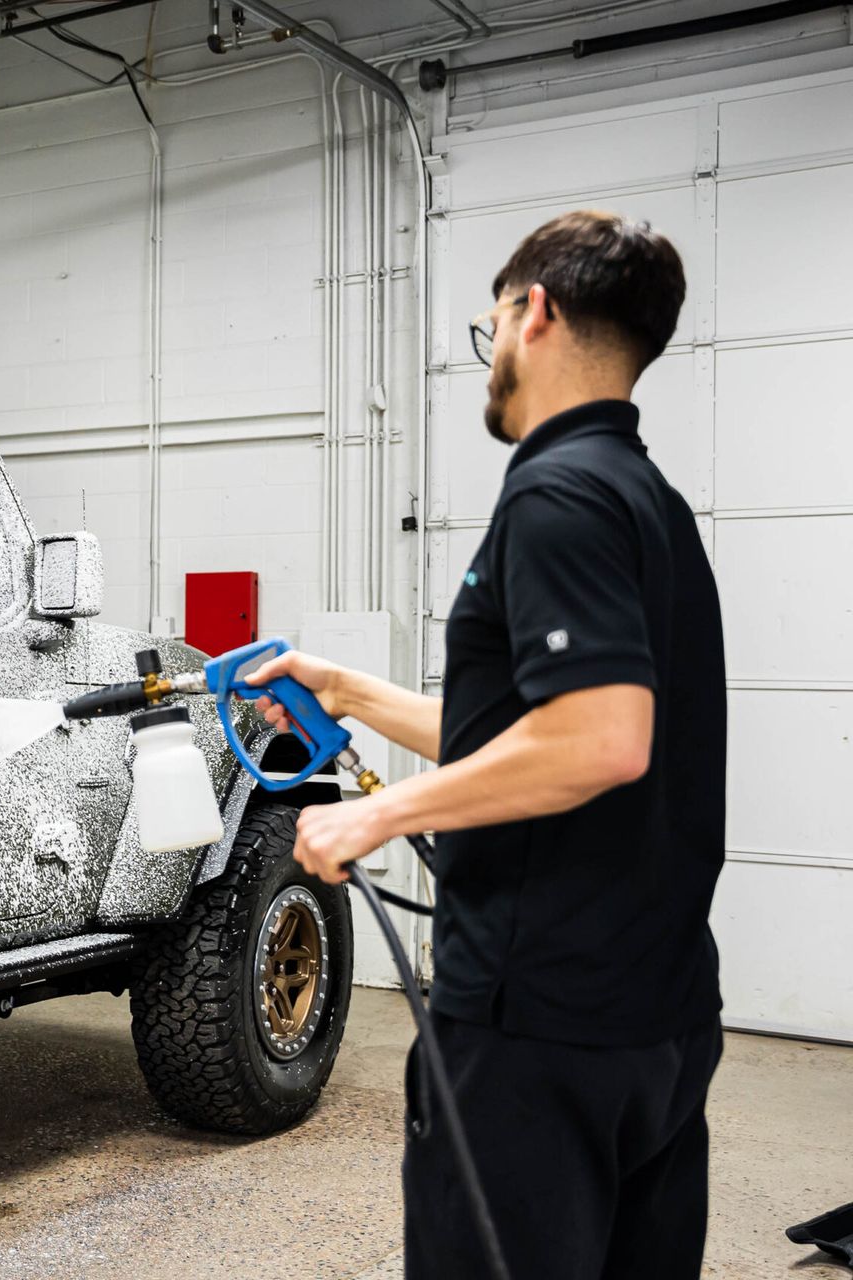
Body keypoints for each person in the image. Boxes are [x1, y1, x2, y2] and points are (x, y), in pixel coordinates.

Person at [247, 210, 726, 1279]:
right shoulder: (650, 503)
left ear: (535, 312)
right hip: (657, 1021)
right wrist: (354, 691)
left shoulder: (555, 496)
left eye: (490, 325)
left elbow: (601, 740)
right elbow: (531, 732)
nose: (492, 355)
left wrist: (373, 812)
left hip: (536, 1031)